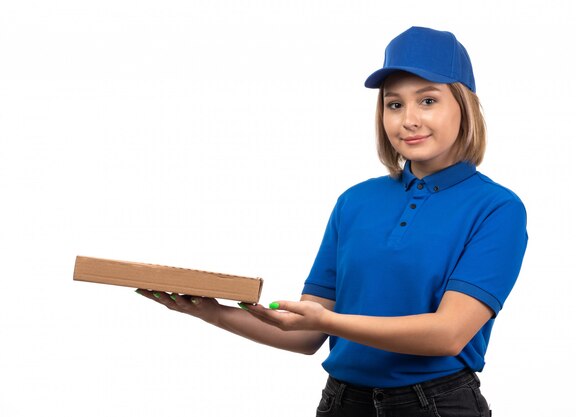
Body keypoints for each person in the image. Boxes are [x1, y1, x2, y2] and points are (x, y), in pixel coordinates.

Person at [137, 26, 528, 417]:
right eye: (394, 105)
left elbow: (448, 334)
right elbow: (308, 332)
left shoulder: (497, 208)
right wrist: (206, 309)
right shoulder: (355, 201)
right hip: (342, 403)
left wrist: (332, 321)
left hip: (436, 406)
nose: (408, 120)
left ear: (465, 105)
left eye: (428, 100)